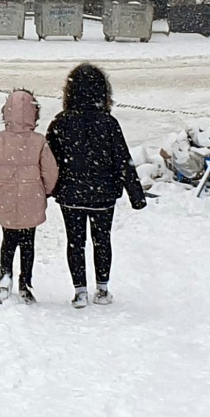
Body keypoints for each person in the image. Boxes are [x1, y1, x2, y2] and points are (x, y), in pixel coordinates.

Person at [45, 63, 146, 309]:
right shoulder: (108, 123)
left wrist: (46, 190)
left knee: (75, 242)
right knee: (102, 239)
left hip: (71, 194)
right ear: (103, 93)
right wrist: (136, 195)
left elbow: (48, 162)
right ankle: (102, 289)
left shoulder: (60, 123)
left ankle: (80, 291)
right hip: (104, 194)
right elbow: (123, 159)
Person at [0, 89, 58, 305]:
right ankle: (25, 282)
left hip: (6, 195)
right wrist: (46, 189)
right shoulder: (38, 141)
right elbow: (50, 171)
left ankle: (5, 277)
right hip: (31, 196)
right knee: (27, 242)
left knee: (8, 239)